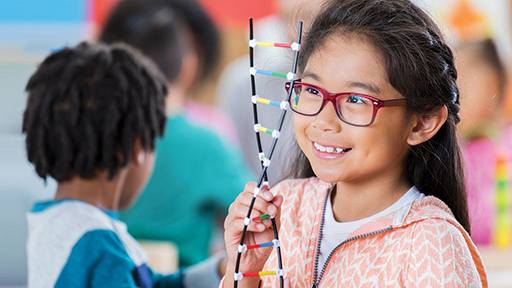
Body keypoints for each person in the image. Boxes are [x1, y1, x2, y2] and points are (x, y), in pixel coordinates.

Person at [222, 0, 488, 287]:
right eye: (311, 89)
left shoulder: (430, 245)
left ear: (422, 122)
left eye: (356, 99)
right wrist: (245, 272)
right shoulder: (286, 206)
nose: (324, 121)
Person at [23, 42, 224, 288]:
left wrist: (222, 269)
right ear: (138, 148)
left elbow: (151, 284)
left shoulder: (61, 223)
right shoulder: (98, 244)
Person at [99, 0, 255, 267]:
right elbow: (255, 212)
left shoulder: (97, 134)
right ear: (187, 63)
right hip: (188, 278)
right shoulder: (208, 141)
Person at [216, 0, 328, 185]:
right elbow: (230, 168)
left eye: (309, 19)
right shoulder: (244, 83)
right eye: (287, 20)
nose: (295, 34)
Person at [456, 39, 510, 246]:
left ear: (493, 85)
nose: (453, 100)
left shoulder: (507, 143)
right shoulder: (456, 153)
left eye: (462, 88)